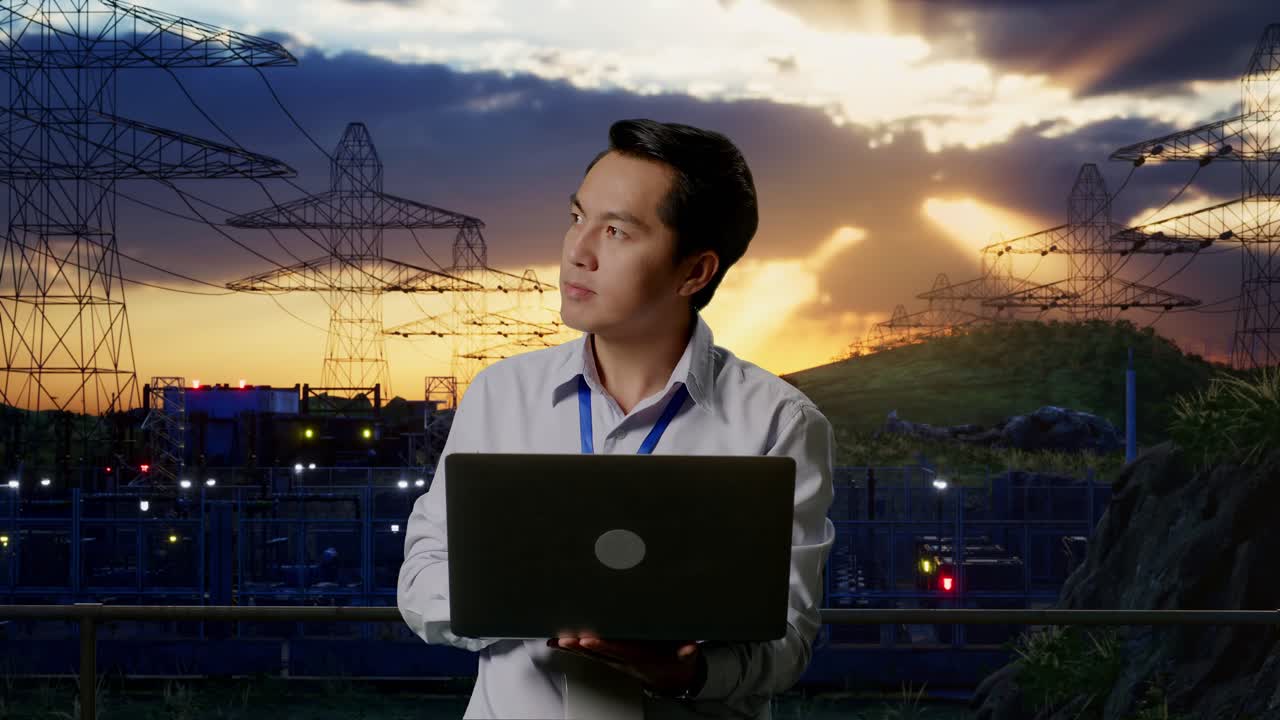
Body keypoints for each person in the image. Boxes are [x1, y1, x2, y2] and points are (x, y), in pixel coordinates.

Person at [398, 118, 836, 719]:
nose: (578, 252)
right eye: (577, 217)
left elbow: (788, 639)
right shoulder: (502, 394)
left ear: (695, 272)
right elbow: (420, 578)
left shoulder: (777, 421)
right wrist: (515, 602)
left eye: (616, 231)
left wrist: (687, 672)